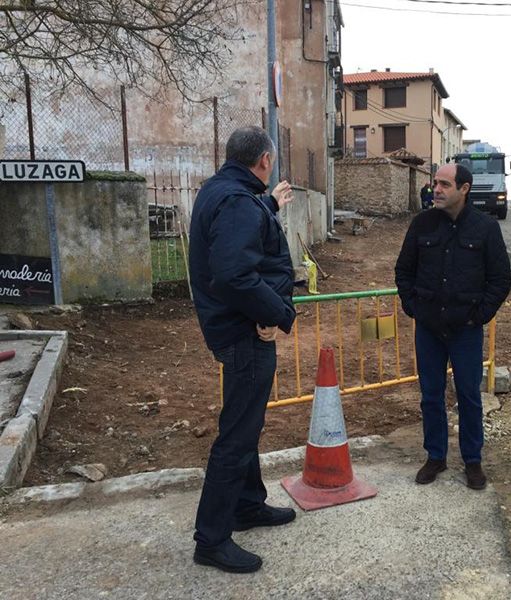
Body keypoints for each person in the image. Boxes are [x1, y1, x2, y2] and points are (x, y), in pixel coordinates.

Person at [188, 126, 297, 573]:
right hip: (245, 335)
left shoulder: (225, 192)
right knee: (236, 435)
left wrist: (269, 205)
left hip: (237, 329)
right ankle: (211, 539)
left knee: (247, 426)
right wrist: (277, 314)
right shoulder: (236, 200)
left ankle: (248, 504)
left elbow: (237, 243)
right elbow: (235, 275)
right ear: (265, 161)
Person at [395, 163, 511, 490]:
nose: (437, 189)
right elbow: (403, 271)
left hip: (466, 330)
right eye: (435, 183)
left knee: (469, 396)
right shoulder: (422, 224)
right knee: (430, 395)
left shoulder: (485, 228)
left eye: (445, 184)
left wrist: (479, 315)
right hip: (429, 328)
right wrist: (413, 307)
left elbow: (500, 279)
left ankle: (472, 461)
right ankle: (436, 456)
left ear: (464, 189)